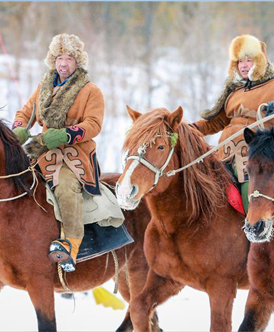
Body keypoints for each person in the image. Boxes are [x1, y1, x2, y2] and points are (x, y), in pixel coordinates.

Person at [12, 33, 104, 272]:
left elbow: (94, 124)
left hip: (73, 156)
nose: (63, 63)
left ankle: (71, 245)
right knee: (13, 176)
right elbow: (25, 113)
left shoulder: (90, 90)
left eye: (69, 58)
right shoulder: (44, 86)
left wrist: (67, 134)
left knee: (64, 185)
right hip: (41, 151)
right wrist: (19, 129)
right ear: (53, 60)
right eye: (59, 57)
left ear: (78, 62)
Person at [191, 34, 274, 214]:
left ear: (259, 61)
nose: (244, 65)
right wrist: (192, 129)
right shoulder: (235, 91)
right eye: (239, 61)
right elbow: (217, 120)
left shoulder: (272, 86)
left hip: (254, 158)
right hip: (224, 155)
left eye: (248, 60)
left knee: (250, 196)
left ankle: (255, 234)